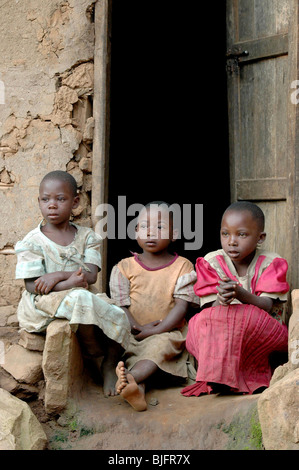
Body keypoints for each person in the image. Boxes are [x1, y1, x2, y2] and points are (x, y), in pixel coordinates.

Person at [15, 170, 131, 397]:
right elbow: (32, 286)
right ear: (39, 201)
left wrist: (57, 275)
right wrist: (69, 283)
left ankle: (110, 362)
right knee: (80, 298)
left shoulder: (87, 237)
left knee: (120, 312)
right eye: (46, 199)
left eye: (60, 199)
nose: (52, 205)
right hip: (43, 303)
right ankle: (91, 345)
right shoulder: (31, 242)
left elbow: (90, 276)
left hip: (79, 291)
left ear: (75, 202)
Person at [181, 201, 289, 397]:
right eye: (225, 234)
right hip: (223, 329)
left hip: (264, 332)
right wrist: (221, 300)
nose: (231, 241)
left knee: (243, 316)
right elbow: (209, 309)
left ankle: (238, 378)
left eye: (241, 234)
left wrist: (240, 293)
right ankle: (218, 377)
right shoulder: (211, 261)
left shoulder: (272, 262)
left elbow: (266, 306)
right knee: (202, 320)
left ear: (260, 238)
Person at [109, 201, 200, 411]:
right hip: (133, 333)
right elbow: (120, 305)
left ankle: (130, 377)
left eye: (159, 227)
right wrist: (137, 328)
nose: (151, 233)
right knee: (124, 348)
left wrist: (156, 330)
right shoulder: (124, 267)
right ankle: (136, 388)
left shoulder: (183, 266)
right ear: (135, 232)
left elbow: (181, 307)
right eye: (144, 227)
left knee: (156, 350)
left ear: (174, 234)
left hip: (168, 333)